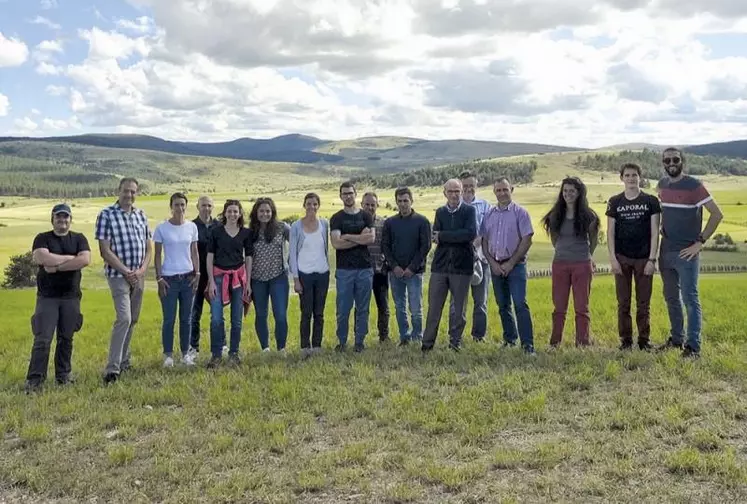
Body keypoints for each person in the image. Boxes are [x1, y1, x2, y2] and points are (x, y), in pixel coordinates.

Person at [656, 148, 723, 358]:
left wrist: (700, 243)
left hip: (688, 253)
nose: (671, 163)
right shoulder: (662, 185)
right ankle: (677, 339)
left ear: (682, 161)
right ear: (663, 163)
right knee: (670, 298)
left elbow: (717, 214)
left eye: (675, 159)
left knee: (690, 299)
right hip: (665, 251)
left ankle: (693, 347)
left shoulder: (694, 185)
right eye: (667, 160)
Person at [25, 203, 91, 393]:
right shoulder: (42, 238)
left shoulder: (79, 238)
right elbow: (41, 258)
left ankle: (63, 375)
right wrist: (72, 259)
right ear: (52, 219)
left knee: (66, 338)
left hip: (71, 297)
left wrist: (57, 266)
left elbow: (85, 260)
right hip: (47, 297)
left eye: (65, 217)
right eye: (58, 217)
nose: (62, 220)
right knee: (43, 339)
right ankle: (35, 380)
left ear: (71, 219)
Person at [95, 177, 152, 385]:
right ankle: (112, 369)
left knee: (134, 319)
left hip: (139, 275)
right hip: (118, 276)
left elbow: (148, 247)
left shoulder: (141, 215)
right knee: (124, 318)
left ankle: (125, 360)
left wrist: (142, 270)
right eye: (126, 191)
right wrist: (126, 271)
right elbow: (104, 250)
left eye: (133, 191)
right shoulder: (106, 215)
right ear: (118, 191)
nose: (129, 195)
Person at [606, 163, 661, 351]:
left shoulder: (651, 201)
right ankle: (626, 340)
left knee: (643, 304)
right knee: (623, 303)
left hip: (644, 258)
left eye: (634, 175)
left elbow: (655, 233)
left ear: (640, 177)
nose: (631, 178)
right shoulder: (615, 202)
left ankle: (644, 341)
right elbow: (610, 232)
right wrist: (613, 259)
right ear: (621, 178)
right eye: (627, 175)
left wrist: (652, 260)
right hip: (622, 258)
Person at [542, 177, 599, 348]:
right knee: (559, 306)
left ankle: (582, 343)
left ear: (579, 193)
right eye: (565, 191)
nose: (568, 194)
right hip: (560, 264)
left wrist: (586, 257)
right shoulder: (554, 216)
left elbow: (593, 241)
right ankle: (555, 343)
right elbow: (554, 239)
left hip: (582, 264)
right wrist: (563, 251)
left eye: (572, 191)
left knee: (582, 306)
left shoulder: (589, 216)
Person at [480, 178, 535, 354]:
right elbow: (484, 241)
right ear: (494, 192)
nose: (502, 193)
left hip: (516, 265)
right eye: (498, 190)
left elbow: (527, 240)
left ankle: (528, 345)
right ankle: (510, 339)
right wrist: (493, 263)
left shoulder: (521, 213)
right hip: (496, 266)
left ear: (511, 189)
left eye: (505, 189)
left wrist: (511, 263)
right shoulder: (489, 214)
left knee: (520, 304)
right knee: (503, 305)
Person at [421, 179, 477, 352]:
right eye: (450, 191)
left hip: (462, 267)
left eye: (457, 191)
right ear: (444, 192)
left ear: (462, 192)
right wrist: (452, 236)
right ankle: (427, 344)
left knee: (459, 309)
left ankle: (455, 342)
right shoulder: (440, 212)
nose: (454, 194)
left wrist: (444, 236)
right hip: (440, 266)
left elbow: (469, 234)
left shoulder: (469, 211)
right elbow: (434, 236)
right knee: (434, 307)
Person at [153, 193, 200, 367]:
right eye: (176, 205)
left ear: (186, 207)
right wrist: (158, 278)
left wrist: (198, 274)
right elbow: (157, 255)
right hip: (169, 279)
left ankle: (185, 354)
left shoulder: (192, 227)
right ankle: (168, 356)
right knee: (169, 319)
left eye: (182, 205)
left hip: (188, 278)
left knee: (186, 318)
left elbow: (194, 252)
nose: (180, 208)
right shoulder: (161, 228)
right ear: (171, 207)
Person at [381, 187, 431, 347]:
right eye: (400, 201)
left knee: (415, 307)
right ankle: (404, 336)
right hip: (395, 273)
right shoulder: (390, 223)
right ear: (396, 202)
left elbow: (425, 247)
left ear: (411, 201)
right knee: (399, 306)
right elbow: (385, 246)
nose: (403, 204)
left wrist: (412, 268)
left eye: (406, 201)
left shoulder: (422, 221)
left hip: (414, 273)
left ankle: (417, 336)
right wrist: (394, 266)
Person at [206, 199, 253, 368]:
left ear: (240, 214)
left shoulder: (246, 233)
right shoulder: (215, 232)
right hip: (218, 277)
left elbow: (248, 257)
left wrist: (247, 283)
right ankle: (216, 355)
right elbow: (210, 257)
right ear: (224, 213)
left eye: (236, 211)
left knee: (237, 319)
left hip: (239, 279)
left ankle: (234, 353)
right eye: (229, 211)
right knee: (216, 318)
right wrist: (211, 282)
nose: (232, 214)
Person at [330, 182, 375, 353]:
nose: (348, 196)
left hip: (365, 268)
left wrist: (347, 236)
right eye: (344, 193)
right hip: (344, 270)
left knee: (363, 307)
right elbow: (336, 244)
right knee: (343, 308)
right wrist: (358, 237)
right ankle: (342, 341)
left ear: (356, 194)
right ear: (340, 196)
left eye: (350, 193)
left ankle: (359, 341)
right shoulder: (337, 218)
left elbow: (370, 239)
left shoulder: (366, 216)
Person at [289, 193, 331, 358]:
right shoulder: (296, 226)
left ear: (318, 205)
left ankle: (317, 345)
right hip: (304, 275)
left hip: (322, 273)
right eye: (308, 204)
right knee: (306, 312)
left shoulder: (324, 224)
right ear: (304, 205)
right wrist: (296, 279)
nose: (312, 207)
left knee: (319, 312)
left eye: (315, 204)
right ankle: (305, 347)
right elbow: (292, 253)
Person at [452, 171, 491, 342]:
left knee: (480, 302)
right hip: (459, 261)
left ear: (476, 186)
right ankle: (455, 336)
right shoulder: (453, 206)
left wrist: (476, 245)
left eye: (471, 186)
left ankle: (478, 336)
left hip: (481, 259)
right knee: (457, 303)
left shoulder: (485, 206)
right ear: (460, 187)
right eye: (465, 186)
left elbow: (487, 231)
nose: (468, 189)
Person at [248, 197, 291, 354]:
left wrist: (291, 262)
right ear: (256, 212)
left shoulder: (282, 227)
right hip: (257, 279)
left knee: (280, 314)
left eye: (268, 211)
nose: (265, 214)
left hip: (278, 277)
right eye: (261, 211)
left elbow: (296, 243)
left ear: (272, 212)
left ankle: (281, 348)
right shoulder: (250, 231)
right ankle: (265, 348)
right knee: (261, 314)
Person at [189, 195, 218, 356]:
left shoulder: (219, 226)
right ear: (197, 207)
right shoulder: (191, 226)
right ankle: (193, 348)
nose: (206, 208)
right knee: (195, 313)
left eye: (209, 205)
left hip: (215, 276)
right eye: (203, 205)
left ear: (212, 207)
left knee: (217, 313)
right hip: (196, 276)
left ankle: (222, 345)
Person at [362, 192, 390, 343]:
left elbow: (387, 245)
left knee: (383, 306)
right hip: (361, 271)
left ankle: (384, 337)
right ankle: (360, 337)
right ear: (362, 205)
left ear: (377, 205)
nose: (370, 207)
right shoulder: (356, 222)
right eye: (367, 204)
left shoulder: (383, 223)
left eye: (373, 204)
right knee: (362, 307)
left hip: (380, 271)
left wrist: (386, 262)